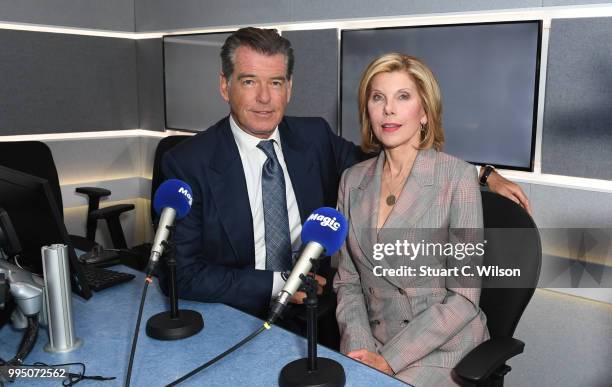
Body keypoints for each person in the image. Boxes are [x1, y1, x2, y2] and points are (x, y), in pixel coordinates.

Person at [160, 27, 529, 323]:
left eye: (275, 83)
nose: (264, 98)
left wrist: (482, 174)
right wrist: (279, 283)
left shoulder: (313, 138)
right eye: (248, 82)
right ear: (225, 86)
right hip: (233, 311)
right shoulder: (188, 163)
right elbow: (180, 273)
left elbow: (396, 153)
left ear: (290, 88)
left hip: (315, 313)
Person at [333, 53, 488, 386]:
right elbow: (347, 282)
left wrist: (389, 360)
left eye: (403, 97)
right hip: (374, 340)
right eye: (378, 98)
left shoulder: (457, 178)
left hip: (443, 346)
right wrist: (360, 347)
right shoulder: (351, 180)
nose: (389, 109)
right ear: (368, 111)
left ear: (424, 112)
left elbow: (464, 298)